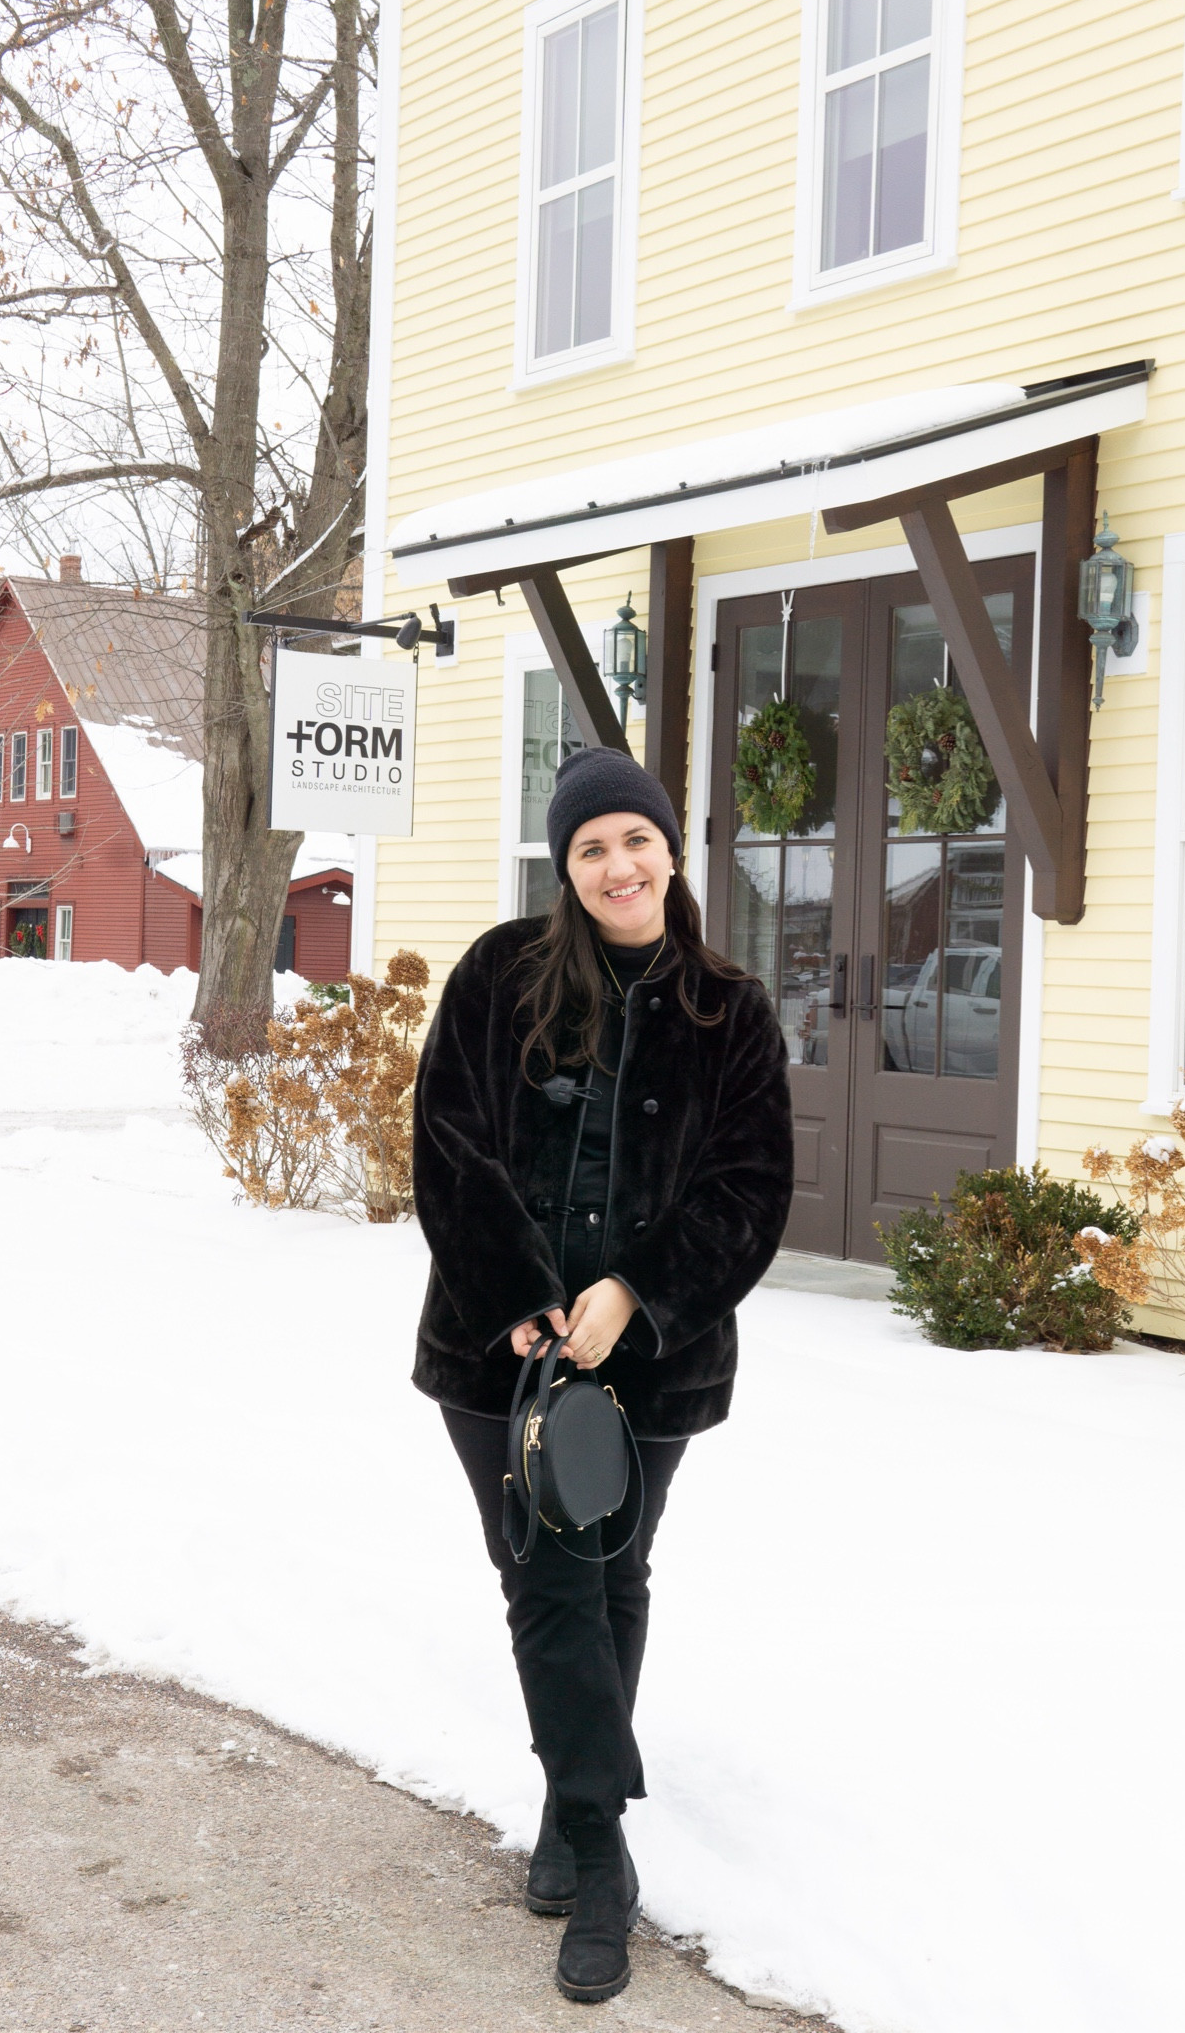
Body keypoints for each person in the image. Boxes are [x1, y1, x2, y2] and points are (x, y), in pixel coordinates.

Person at [412, 745, 794, 2004]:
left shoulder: (727, 1009)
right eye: (590, 848)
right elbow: (451, 1143)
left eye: (635, 839)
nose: (617, 865)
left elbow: (749, 1188)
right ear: (564, 867)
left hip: (653, 1362)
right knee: (549, 1579)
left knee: (605, 1574)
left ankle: (577, 1822)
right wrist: (522, 1295)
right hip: (496, 1349)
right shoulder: (499, 978)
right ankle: (601, 1839)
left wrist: (636, 1290)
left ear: (670, 850)